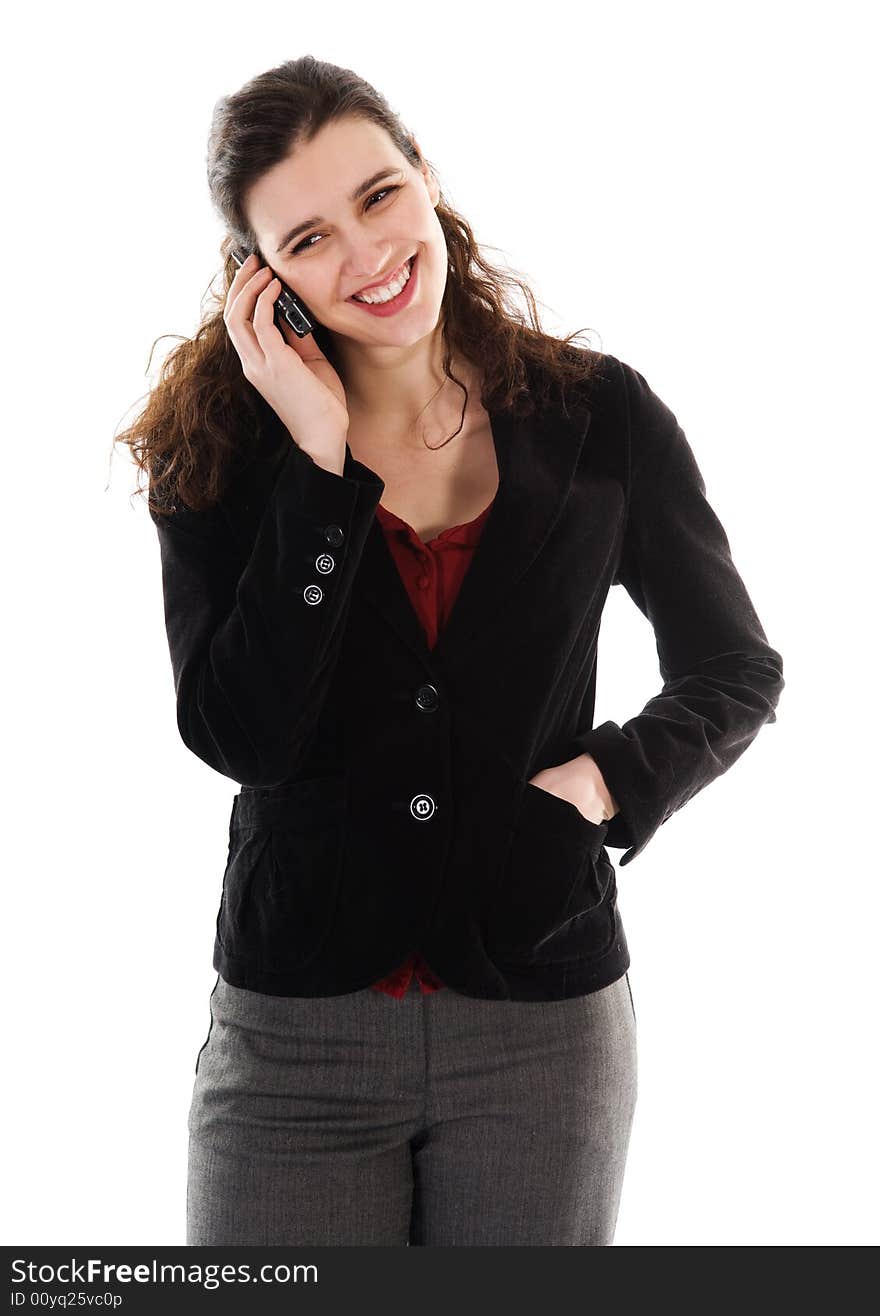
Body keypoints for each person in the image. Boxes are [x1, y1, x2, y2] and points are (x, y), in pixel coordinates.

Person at [117, 55, 784, 1246]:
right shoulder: (221, 458)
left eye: (379, 196)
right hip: (296, 1032)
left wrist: (605, 782)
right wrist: (319, 467)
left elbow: (734, 666)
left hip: (542, 1020)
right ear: (259, 280)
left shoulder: (598, 417)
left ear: (426, 178)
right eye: (309, 239)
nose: (368, 256)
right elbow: (243, 735)